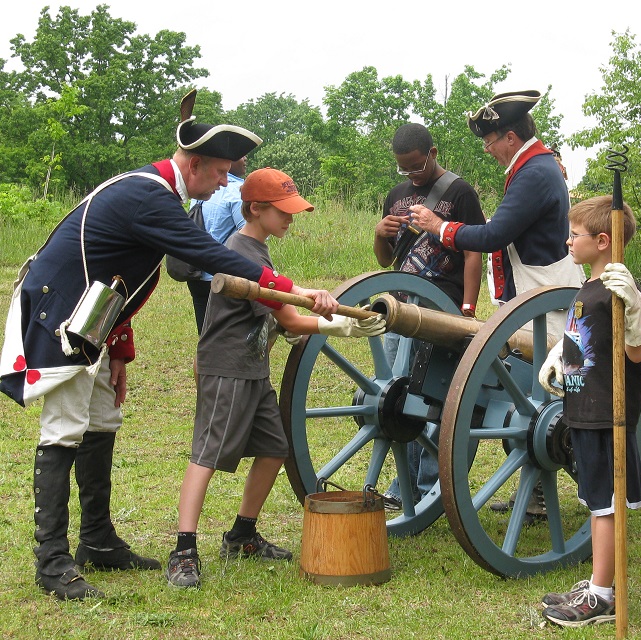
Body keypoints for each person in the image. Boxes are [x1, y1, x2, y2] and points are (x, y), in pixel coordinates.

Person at [0, 90, 337, 601]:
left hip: (95, 319)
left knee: (102, 421)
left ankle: (97, 540)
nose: (227, 182)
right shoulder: (148, 194)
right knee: (64, 429)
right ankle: (51, 561)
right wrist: (289, 287)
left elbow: (122, 277)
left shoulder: (157, 194)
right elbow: (202, 253)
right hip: (62, 315)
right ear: (196, 164)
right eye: (222, 171)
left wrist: (119, 351)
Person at [166, 168, 385, 589]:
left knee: (273, 447)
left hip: (252, 367)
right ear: (256, 209)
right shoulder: (243, 253)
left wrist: (317, 296)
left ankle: (242, 533)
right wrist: (340, 325)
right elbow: (290, 319)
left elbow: (285, 297)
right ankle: (184, 549)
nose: (290, 219)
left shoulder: (256, 250)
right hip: (226, 367)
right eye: (282, 212)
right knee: (207, 454)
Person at [411, 89, 585, 519]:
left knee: (557, 394)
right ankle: (543, 493)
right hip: (532, 299)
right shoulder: (532, 168)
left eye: (489, 141)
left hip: (549, 303)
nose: (488, 150)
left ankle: (591, 476)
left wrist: (439, 227)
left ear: (509, 137)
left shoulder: (536, 173)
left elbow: (493, 236)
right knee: (530, 392)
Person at [536, 195, 641, 627]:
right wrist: (559, 355)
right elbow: (584, 335)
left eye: (575, 235)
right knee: (595, 500)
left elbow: (639, 350)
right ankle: (597, 584)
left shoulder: (617, 290)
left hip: (608, 414)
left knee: (605, 505)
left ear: (603, 241)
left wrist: (637, 307)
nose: (568, 241)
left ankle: (603, 597)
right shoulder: (588, 288)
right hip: (583, 408)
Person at [373, 123, 484, 507]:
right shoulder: (396, 195)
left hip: (440, 303)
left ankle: (425, 486)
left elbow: (473, 252)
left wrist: (468, 310)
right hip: (400, 303)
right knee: (396, 397)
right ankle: (401, 485)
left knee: (430, 395)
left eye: (417, 166)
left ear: (433, 153)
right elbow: (387, 260)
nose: (411, 175)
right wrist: (379, 233)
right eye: (404, 169)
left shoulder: (459, 192)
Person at [184, 155, 248, 334]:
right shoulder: (237, 192)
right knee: (228, 337)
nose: (244, 159)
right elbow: (248, 239)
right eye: (239, 155)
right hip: (225, 277)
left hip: (196, 272)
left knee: (205, 335)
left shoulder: (200, 191)